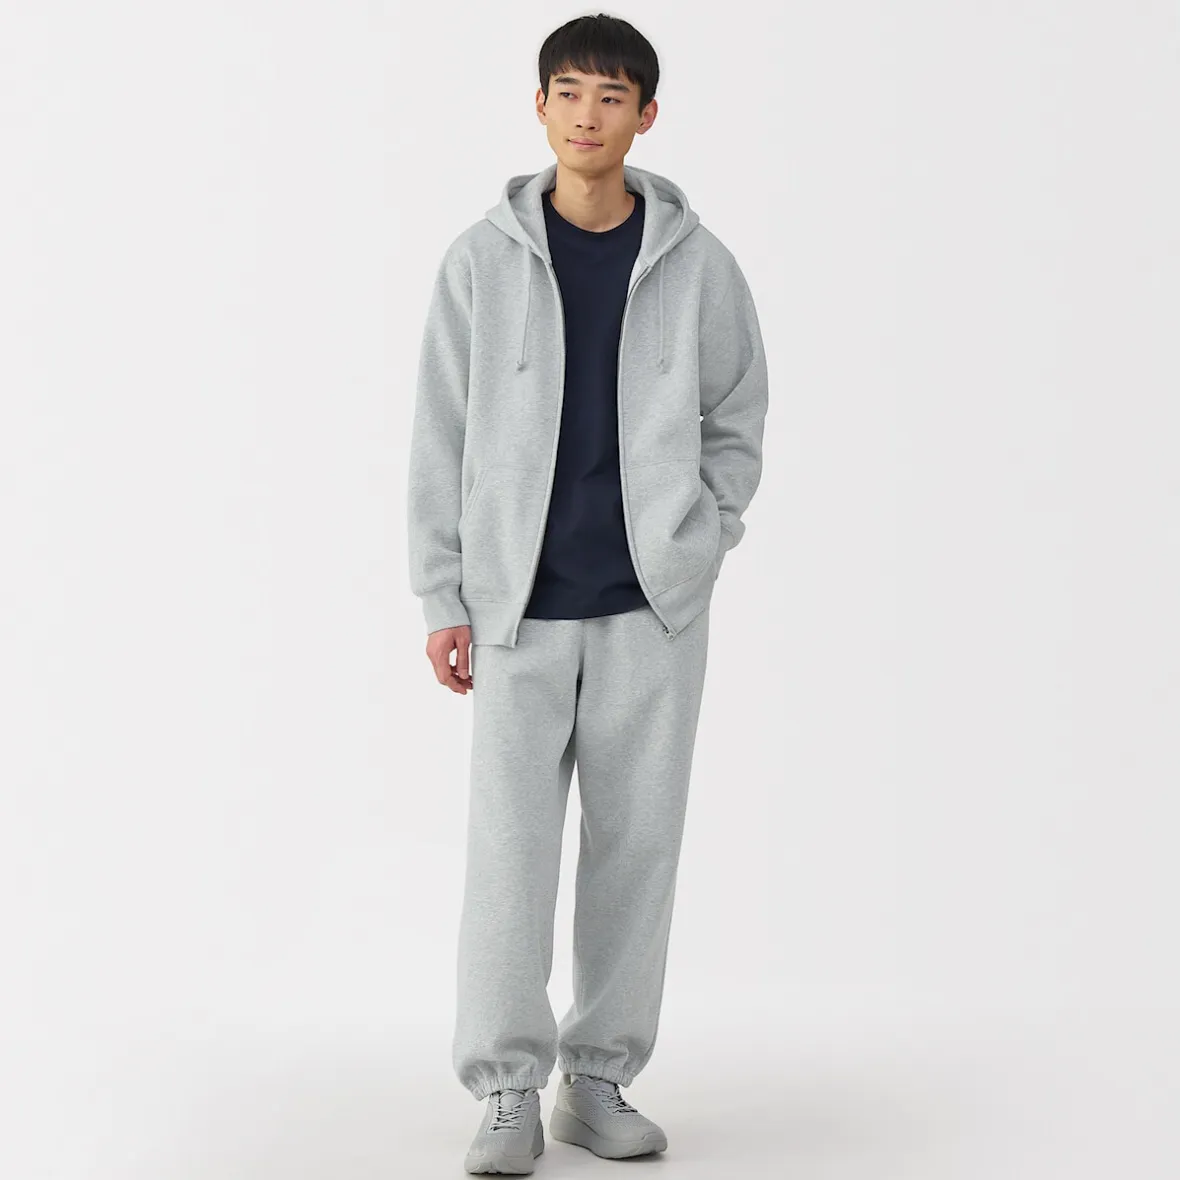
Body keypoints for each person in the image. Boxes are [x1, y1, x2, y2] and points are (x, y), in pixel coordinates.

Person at [406, 14, 769, 1174]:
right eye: (567, 91)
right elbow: (439, 435)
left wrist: (699, 541)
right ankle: (507, 1088)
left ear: (645, 116)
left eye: (611, 96)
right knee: (508, 859)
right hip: (514, 612)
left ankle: (597, 1078)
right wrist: (442, 594)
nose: (586, 114)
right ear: (539, 106)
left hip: (649, 612)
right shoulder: (480, 261)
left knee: (636, 852)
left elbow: (737, 415)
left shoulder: (699, 264)